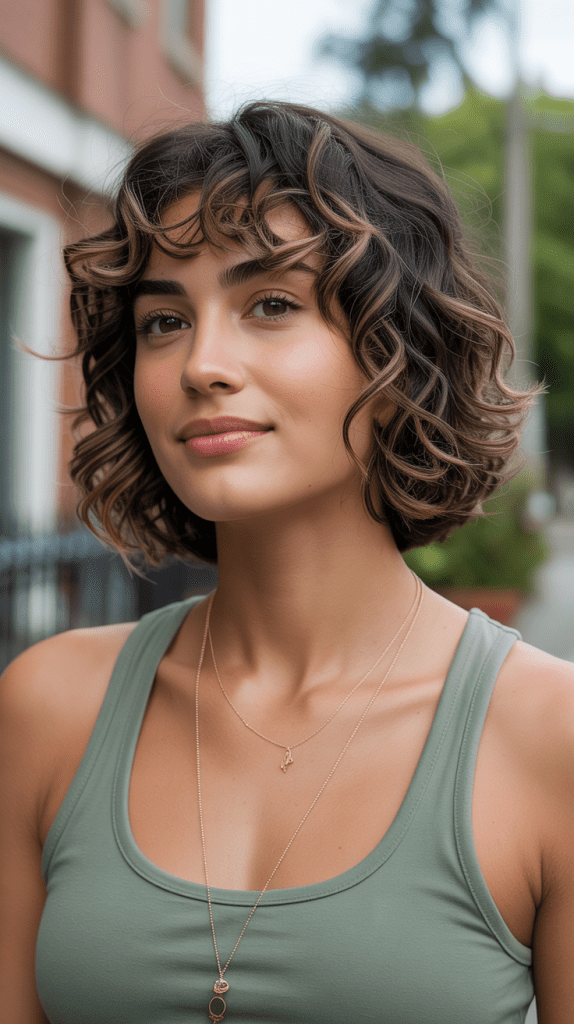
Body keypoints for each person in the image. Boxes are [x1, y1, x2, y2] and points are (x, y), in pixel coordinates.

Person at [1, 100, 573, 1024]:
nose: (202, 364)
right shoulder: (48, 708)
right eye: (163, 321)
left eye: (271, 304)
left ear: (395, 354)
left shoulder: (550, 737)